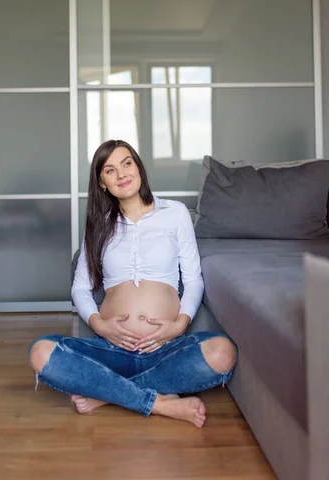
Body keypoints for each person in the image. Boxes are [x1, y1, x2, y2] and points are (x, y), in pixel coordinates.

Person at [29, 139, 237, 428]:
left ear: (138, 167)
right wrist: (100, 325)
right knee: (41, 352)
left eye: (127, 163)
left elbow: (192, 280)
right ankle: (160, 403)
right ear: (102, 183)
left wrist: (179, 325)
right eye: (110, 170)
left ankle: (110, 393)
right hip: (111, 350)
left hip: (165, 349)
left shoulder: (175, 213)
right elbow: (80, 288)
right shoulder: (99, 225)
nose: (122, 174)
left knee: (222, 352)